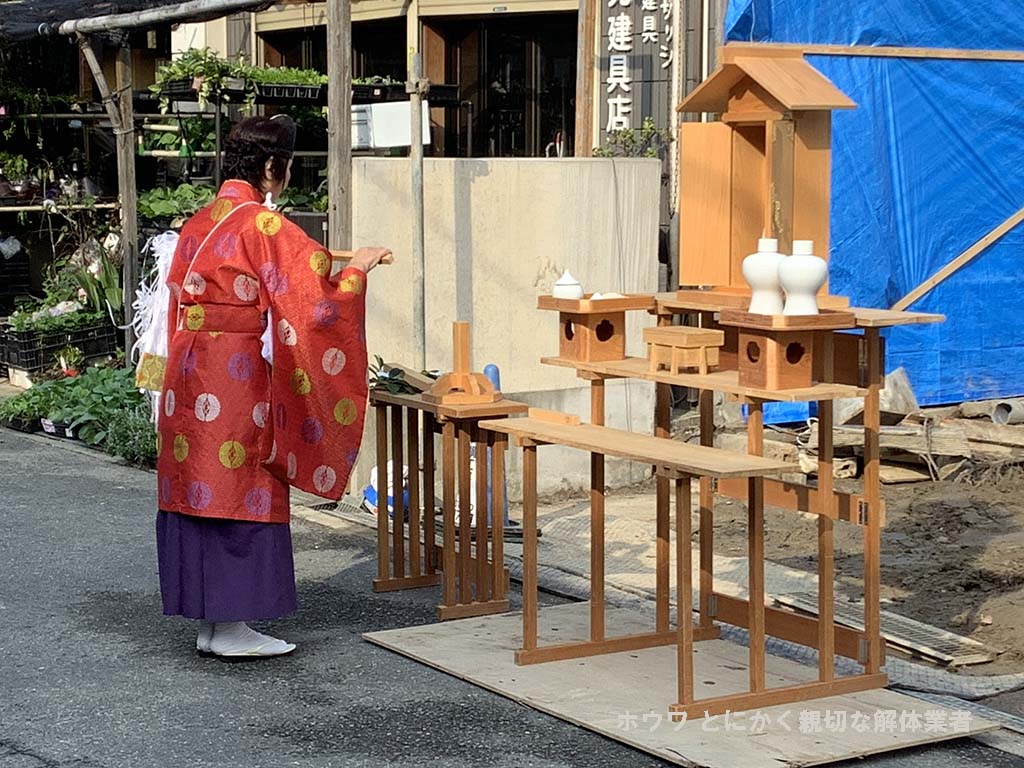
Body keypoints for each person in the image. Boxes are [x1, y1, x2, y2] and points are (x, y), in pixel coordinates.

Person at [153, 115, 390, 658]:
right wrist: (359, 269)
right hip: (232, 373)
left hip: (188, 372)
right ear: (269, 167)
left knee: (199, 484)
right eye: (282, 167)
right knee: (242, 480)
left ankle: (214, 624)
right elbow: (314, 297)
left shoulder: (199, 222)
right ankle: (232, 630)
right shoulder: (260, 224)